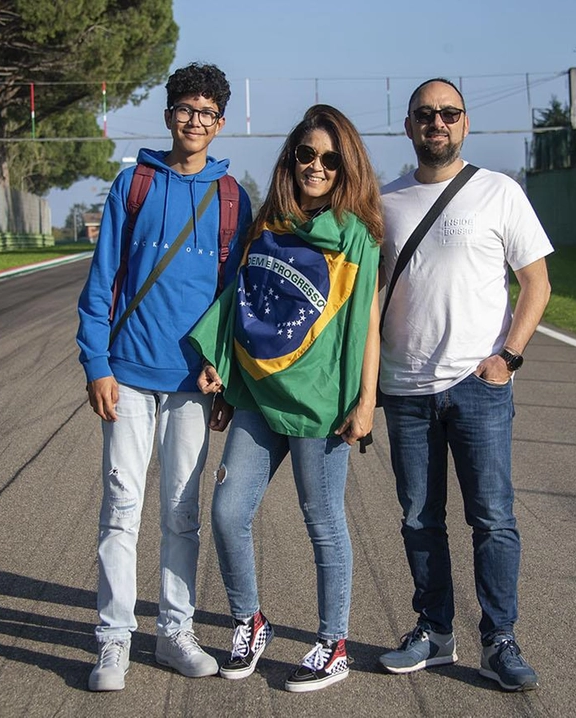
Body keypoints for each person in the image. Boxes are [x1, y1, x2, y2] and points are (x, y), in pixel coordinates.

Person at [188, 104, 382, 693]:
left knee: (322, 522)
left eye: (329, 158)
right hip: (257, 395)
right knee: (226, 512)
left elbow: (366, 322)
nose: (316, 166)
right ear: (291, 159)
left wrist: (365, 400)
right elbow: (240, 305)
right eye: (306, 154)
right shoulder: (267, 224)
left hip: (319, 404)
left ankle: (334, 643)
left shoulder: (356, 236)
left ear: (345, 165)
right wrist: (221, 370)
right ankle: (250, 621)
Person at [75, 62, 252, 692]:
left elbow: (236, 299)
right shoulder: (134, 185)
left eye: (207, 113)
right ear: (169, 113)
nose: (195, 122)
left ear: (220, 122)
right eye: (185, 109)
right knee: (122, 509)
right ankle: (113, 641)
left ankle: (175, 630)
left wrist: (225, 373)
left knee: (182, 514)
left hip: (192, 385)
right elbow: (100, 285)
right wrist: (97, 364)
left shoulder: (233, 196)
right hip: (126, 377)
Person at [375, 78, 553, 692]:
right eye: (426, 115)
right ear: (409, 126)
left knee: (493, 518)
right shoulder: (386, 201)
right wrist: (364, 383)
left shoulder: (498, 192)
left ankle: (500, 639)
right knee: (419, 517)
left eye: (449, 113)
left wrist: (509, 357)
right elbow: (371, 298)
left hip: (479, 385)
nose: (437, 123)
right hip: (404, 388)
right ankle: (434, 630)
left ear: (465, 124)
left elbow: (537, 283)